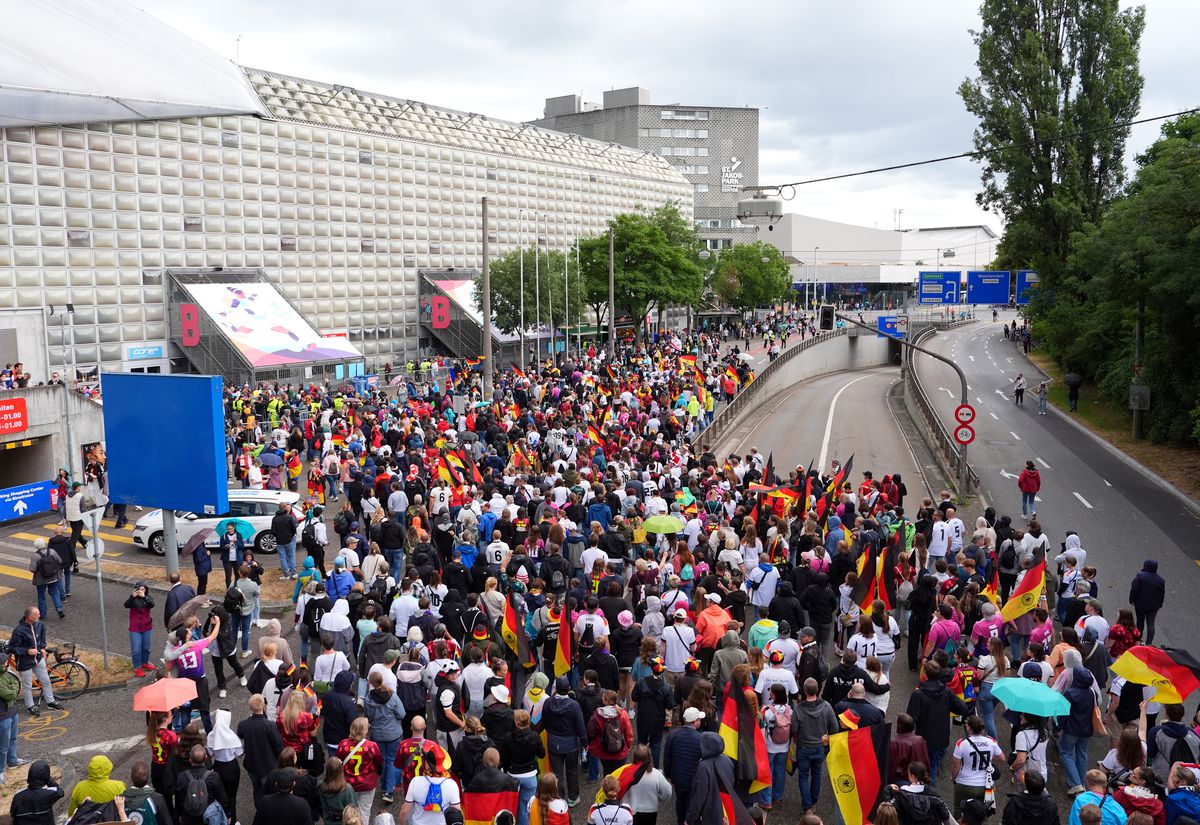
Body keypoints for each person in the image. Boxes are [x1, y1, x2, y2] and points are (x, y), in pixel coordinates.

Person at [906, 661, 968, 783]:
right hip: (941, 736)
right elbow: (963, 708)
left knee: (922, 768)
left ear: (926, 674)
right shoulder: (946, 691)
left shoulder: (918, 694)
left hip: (923, 737)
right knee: (933, 765)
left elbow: (911, 718)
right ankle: (932, 792)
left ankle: (922, 792)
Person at [8, 606, 63, 716]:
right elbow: (12, 648)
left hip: (38, 659)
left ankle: (50, 701)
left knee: (46, 680)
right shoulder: (19, 631)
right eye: (36, 614)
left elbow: (42, 638)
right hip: (25, 662)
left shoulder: (40, 625)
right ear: (29, 617)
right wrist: (26, 651)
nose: (39, 615)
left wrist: (42, 647)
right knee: (27, 685)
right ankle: (30, 706)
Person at [543, 676, 587, 807]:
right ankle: (573, 798)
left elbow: (544, 721)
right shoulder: (574, 705)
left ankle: (559, 798)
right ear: (568, 689)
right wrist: (585, 742)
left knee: (557, 773)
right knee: (572, 771)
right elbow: (580, 726)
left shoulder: (548, 702)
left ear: (556, 689)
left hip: (553, 742)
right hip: (571, 744)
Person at [951, 715, 1004, 816]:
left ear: (969, 728)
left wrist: (953, 778)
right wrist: (989, 758)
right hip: (984, 785)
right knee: (979, 813)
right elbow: (1002, 758)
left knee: (958, 809)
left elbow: (955, 766)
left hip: (964, 783)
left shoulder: (961, 743)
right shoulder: (991, 741)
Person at [1059, 667, 1099, 795]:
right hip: (1087, 729)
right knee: (1082, 754)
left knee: (1066, 753)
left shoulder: (1070, 693)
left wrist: (1059, 726)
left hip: (1071, 729)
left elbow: (1063, 713)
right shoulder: (1093, 692)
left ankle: (1076, 784)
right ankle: (1080, 783)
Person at [238, 693, 284, 805]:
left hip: (251, 764)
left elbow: (240, 735)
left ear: (250, 708)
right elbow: (278, 746)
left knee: (256, 789)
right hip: (268, 765)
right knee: (269, 791)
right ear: (263, 706)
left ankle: (259, 810)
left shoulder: (243, 724)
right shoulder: (270, 725)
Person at [662, 706, 705, 825]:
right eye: (699, 719)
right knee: (692, 806)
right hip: (693, 780)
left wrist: (668, 775)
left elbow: (667, 757)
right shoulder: (701, 739)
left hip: (678, 779)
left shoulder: (673, 735)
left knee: (680, 803)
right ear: (694, 722)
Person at [336, 717, 383, 824]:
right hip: (367, 783)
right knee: (365, 811)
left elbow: (338, 761)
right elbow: (379, 762)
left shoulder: (343, 745)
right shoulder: (371, 746)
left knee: (350, 811)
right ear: (364, 730)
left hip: (349, 784)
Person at [400, 748, 461, 825]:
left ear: (427, 764)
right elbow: (456, 813)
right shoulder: (452, 785)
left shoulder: (415, 782)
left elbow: (405, 811)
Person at [686, 732, 735, 825]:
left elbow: (699, 796)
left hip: (709, 815)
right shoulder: (726, 760)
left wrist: (689, 819)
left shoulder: (703, 766)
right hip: (725, 810)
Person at [173, 743, 226, 825]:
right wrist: (228, 813)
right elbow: (222, 797)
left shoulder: (182, 776)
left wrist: (181, 814)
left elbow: (179, 798)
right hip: (208, 816)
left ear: (190, 759)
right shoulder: (213, 776)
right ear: (206, 758)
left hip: (188, 817)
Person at [885, 762, 952, 825]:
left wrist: (888, 789)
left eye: (908, 773)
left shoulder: (902, 795)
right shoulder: (934, 794)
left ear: (913, 776)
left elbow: (889, 809)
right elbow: (945, 815)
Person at [625, 743, 672, 825]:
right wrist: (659, 798)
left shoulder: (627, 771)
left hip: (632, 810)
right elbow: (668, 792)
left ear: (634, 758)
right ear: (649, 758)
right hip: (650, 812)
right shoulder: (656, 774)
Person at [10, 760, 64, 825]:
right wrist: (48, 780)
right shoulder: (49, 794)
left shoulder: (18, 796)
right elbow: (60, 791)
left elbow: (12, 813)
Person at [1128, 560, 1165, 645]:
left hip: (1140, 604)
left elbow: (1134, 589)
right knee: (1151, 623)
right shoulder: (1160, 580)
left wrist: (1132, 599)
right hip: (1154, 606)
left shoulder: (1140, 576)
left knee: (1140, 621)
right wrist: (1160, 604)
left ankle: (1139, 640)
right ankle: (1149, 643)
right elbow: (1162, 593)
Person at [125, 581, 156, 677]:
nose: (141, 591)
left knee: (146, 648)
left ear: (145, 590)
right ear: (136, 590)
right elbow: (126, 605)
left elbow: (152, 604)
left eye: (143, 589)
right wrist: (131, 596)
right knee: (136, 650)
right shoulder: (133, 599)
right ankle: (137, 667)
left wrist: (144, 597)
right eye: (139, 589)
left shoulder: (147, 598)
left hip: (146, 627)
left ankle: (145, 663)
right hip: (135, 628)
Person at [889, 714, 931, 785]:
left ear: (899, 726)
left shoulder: (895, 743)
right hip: (919, 778)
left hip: (902, 780)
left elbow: (891, 765)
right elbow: (926, 759)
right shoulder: (920, 740)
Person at [29, 538, 65, 620]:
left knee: (41, 597)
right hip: (53, 577)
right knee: (55, 592)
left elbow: (32, 569)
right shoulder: (52, 551)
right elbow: (60, 561)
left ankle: (43, 614)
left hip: (41, 580)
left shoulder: (35, 556)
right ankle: (59, 609)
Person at [318, 758, 357, 825]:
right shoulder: (347, 789)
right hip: (344, 821)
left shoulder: (321, 786)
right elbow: (352, 809)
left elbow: (322, 806)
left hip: (329, 820)